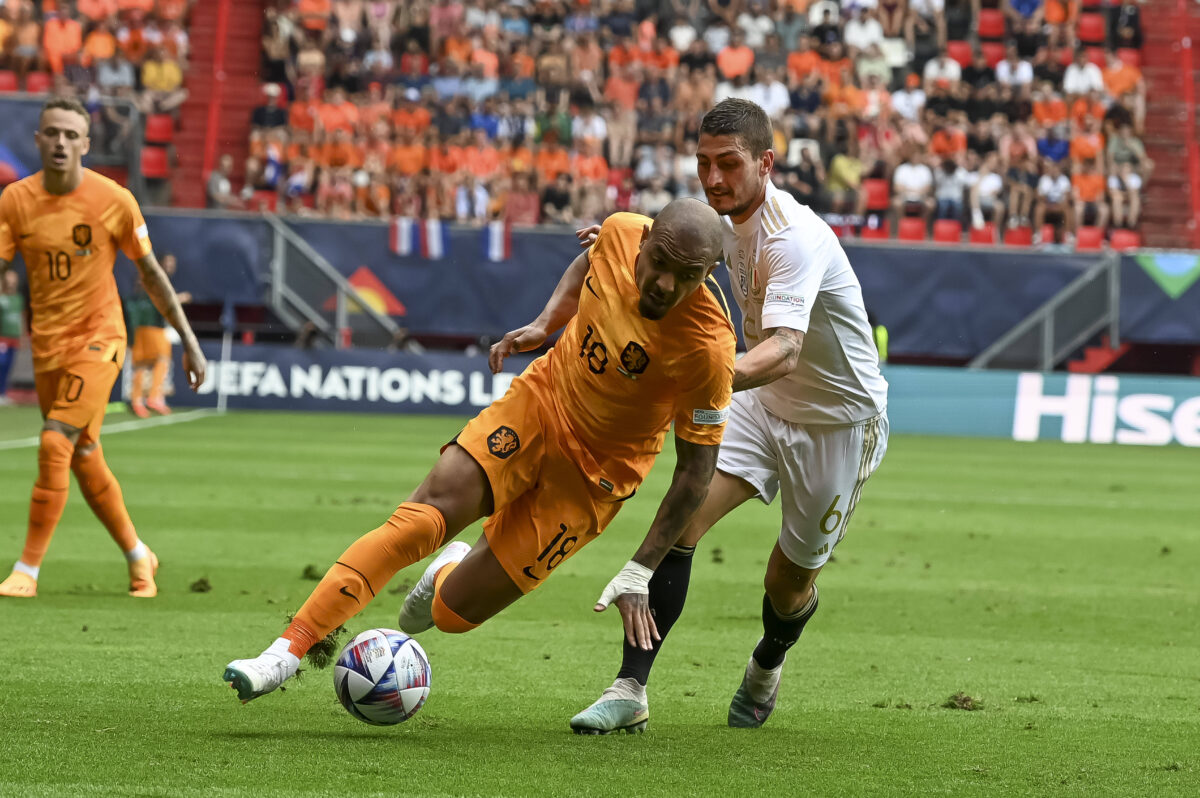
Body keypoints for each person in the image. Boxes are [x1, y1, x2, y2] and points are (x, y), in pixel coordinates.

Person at [221, 198, 738, 704]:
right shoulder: (622, 230)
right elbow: (589, 261)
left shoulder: (709, 348)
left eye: (686, 275)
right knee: (423, 518)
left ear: (710, 271)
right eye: (659, 264)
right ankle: (284, 653)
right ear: (644, 240)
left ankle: (445, 573)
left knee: (452, 614)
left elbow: (695, 474)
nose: (665, 283)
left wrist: (640, 568)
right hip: (541, 403)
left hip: (594, 480)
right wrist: (544, 324)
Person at [570, 99, 889, 733]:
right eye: (703, 163)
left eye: (729, 164)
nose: (713, 179)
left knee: (786, 583)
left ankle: (767, 663)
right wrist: (615, 248)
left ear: (766, 162)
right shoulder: (714, 226)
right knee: (681, 519)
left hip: (837, 423)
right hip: (758, 406)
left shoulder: (793, 238)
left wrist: (690, 385)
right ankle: (631, 687)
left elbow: (786, 349)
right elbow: (655, 250)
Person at [0, 97, 206, 599]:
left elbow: (151, 273)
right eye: (53, 133)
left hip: (101, 338)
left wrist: (190, 340)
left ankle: (27, 569)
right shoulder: (15, 202)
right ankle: (140, 556)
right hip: (47, 345)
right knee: (84, 453)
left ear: (87, 145)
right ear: (39, 140)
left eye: (72, 135)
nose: (62, 143)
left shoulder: (113, 199)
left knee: (54, 442)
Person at [126, 253, 191, 418]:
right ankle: (154, 397)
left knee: (142, 364)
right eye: (168, 262)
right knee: (162, 360)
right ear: (160, 263)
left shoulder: (148, 277)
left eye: (172, 263)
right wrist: (180, 299)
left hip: (141, 326)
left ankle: (137, 401)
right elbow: (162, 300)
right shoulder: (156, 278)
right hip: (153, 326)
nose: (170, 266)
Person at [0, 270, 26, 404]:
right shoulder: (1, 298)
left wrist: (22, 336)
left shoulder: (18, 298)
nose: (11, 285)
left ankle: (3, 393)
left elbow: (22, 318)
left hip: (14, 337)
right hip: (2, 337)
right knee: (1, 363)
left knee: (9, 365)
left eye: (14, 282)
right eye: (9, 282)